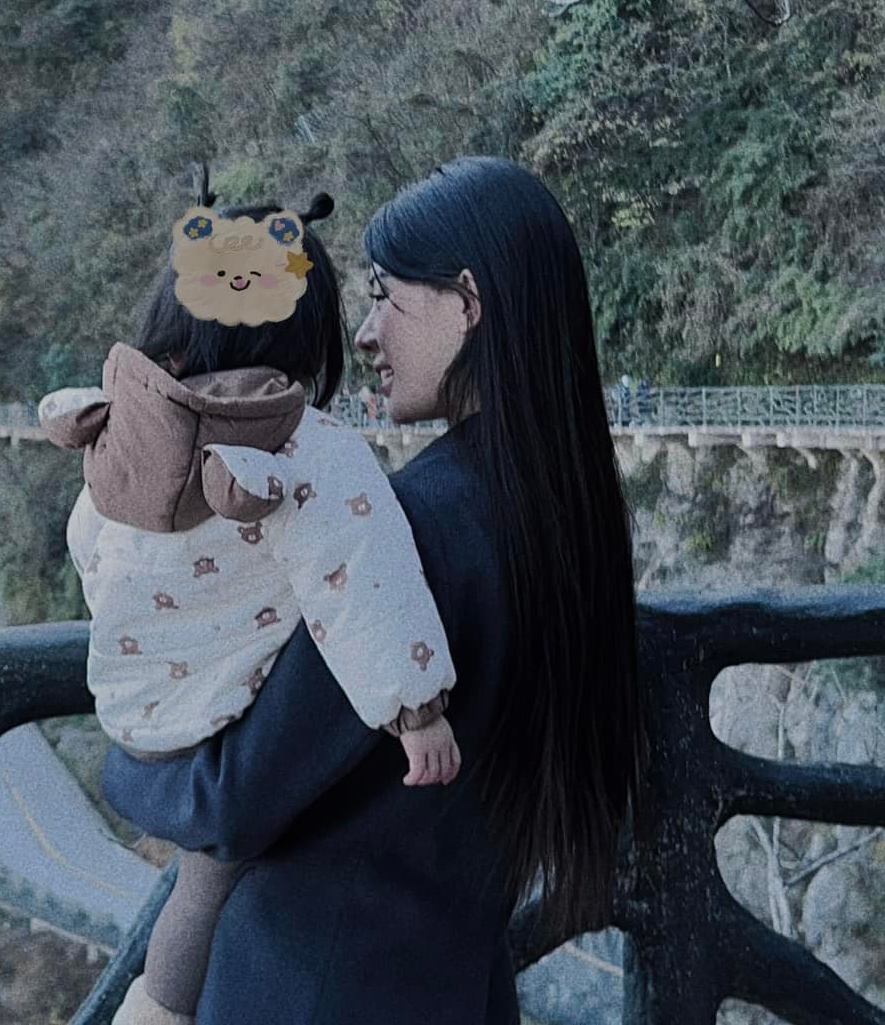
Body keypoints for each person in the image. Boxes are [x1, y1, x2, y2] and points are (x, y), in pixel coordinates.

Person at [102, 157, 645, 1024]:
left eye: (386, 296)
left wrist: (124, 762)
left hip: (315, 987)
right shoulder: (562, 516)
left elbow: (232, 803)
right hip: (452, 981)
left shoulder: (411, 536)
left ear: (467, 303)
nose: (365, 334)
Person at [39, 187, 461, 1025]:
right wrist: (417, 712)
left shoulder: (125, 433)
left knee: (200, 884)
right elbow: (364, 580)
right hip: (223, 733)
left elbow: (90, 545)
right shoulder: (310, 448)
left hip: (135, 717)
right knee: (212, 883)